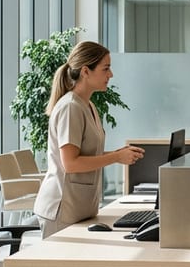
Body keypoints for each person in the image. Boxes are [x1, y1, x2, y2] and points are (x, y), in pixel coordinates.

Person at [34, 41, 145, 237]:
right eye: (106, 68)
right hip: (62, 209)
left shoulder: (88, 105)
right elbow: (70, 163)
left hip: (80, 208)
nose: (111, 75)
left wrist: (118, 154)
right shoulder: (70, 107)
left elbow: (87, 154)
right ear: (85, 71)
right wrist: (116, 158)